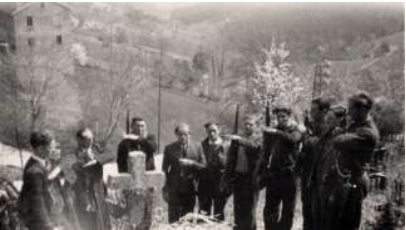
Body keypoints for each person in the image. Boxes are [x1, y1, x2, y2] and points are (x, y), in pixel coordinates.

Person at [331, 92, 379, 230]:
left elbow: (338, 141)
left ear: (362, 110)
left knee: (349, 224)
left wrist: (339, 132)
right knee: (339, 222)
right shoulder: (358, 124)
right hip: (347, 179)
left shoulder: (368, 132)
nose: (348, 111)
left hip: (355, 181)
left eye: (351, 108)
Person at [261, 105, 302, 230]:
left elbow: (293, 140)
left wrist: (276, 132)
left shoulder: (295, 130)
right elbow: (266, 151)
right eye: (278, 117)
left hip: (289, 176)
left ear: (289, 117)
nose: (281, 119)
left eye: (283, 117)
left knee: (287, 211)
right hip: (274, 175)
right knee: (270, 209)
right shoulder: (273, 132)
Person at [222, 115, 262, 230]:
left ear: (256, 126)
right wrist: (226, 178)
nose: (248, 126)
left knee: (250, 210)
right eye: (246, 124)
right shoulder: (238, 138)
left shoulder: (260, 138)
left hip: (252, 179)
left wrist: (239, 140)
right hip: (238, 178)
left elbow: (255, 147)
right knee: (238, 208)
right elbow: (231, 159)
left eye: (251, 124)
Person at [298, 97, 331, 230]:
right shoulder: (312, 125)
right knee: (307, 212)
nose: (311, 113)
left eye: (314, 110)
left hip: (319, 178)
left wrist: (305, 134)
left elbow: (314, 144)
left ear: (323, 111)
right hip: (308, 175)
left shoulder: (327, 127)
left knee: (316, 215)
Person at [162, 123, 206, 223]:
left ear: (190, 134)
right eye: (180, 134)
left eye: (186, 134)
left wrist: (192, 163)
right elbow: (164, 169)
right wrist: (165, 188)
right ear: (176, 135)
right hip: (174, 189)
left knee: (188, 217)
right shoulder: (169, 148)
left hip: (191, 188)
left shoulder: (197, 147)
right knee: (173, 218)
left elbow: (203, 167)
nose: (183, 137)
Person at [18, 130, 60, 230]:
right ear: (40, 149)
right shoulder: (34, 172)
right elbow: (37, 203)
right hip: (36, 220)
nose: (54, 150)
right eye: (51, 147)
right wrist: (49, 227)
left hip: (40, 214)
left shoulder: (38, 162)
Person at [72, 128, 113, 230]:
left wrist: (96, 159)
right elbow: (76, 172)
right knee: (89, 223)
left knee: (103, 222)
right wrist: (84, 163)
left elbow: (111, 155)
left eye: (92, 138)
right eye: (87, 138)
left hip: (99, 191)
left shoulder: (95, 148)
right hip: (86, 194)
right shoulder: (74, 154)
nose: (91, 141)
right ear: (79, 140)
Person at [198, 122, 229, 221]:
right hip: (205, 184)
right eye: (209, 131)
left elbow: (230, 165)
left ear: (219, 131)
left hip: (220, 184)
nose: (212, 134)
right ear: (206, 132)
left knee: (219, 213)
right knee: (203, 212)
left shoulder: (227, 145)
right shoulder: (201, 145)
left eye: (214, 131)